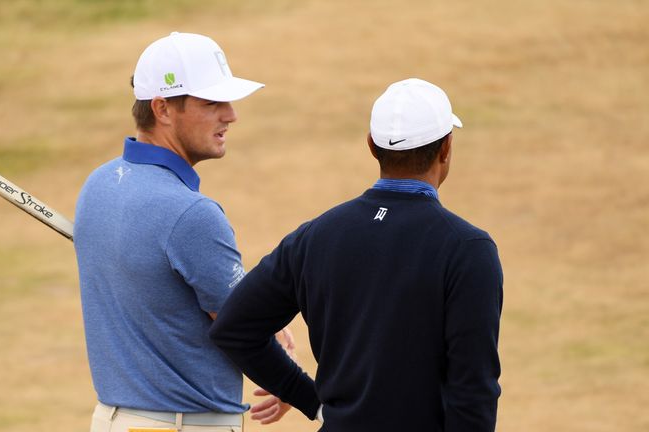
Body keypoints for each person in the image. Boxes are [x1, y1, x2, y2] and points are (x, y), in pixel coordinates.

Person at [210, 78, 504, 431]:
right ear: (445, 149)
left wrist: (310, 399)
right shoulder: (468, 250)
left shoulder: (316, 236)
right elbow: (473, 392)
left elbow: (234, 327)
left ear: (371, 146)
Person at [74, 32, 292, 432]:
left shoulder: (99, 184)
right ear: (162, 109)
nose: (230, 115)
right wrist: (293, 385)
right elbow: (241, 332)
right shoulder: (192, 214)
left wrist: (250, 307)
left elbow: (193, 300)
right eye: (212, 103)